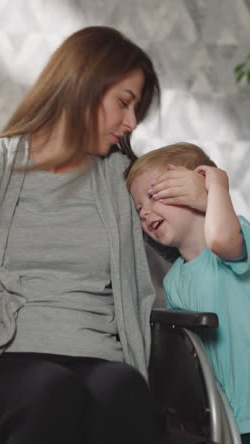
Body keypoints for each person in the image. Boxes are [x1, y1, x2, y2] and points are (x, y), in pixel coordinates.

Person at [0, 27, 206, 444]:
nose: (130, 123)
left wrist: (207, 203)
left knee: (122, 388)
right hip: (4, 358)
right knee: (47, 389)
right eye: (124, 102)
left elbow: (199, 254)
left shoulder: (126, 182)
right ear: (82, 83)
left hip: (99, 357)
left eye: (136, 111)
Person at [126, 142, 250, 443]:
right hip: (221, 417)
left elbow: (220, 239)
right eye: (139, 207)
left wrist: (216, 187)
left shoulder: (236, 236)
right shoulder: (174, 280)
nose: (145, 213)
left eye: (154, 196)